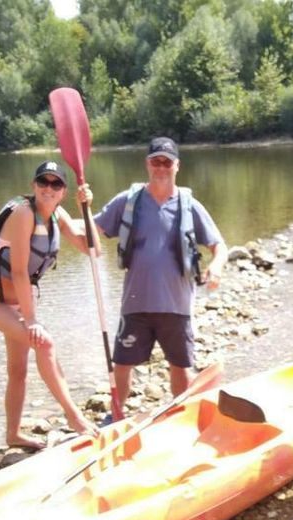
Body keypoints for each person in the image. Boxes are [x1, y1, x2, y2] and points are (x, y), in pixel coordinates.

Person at [76, 137, 228, 416]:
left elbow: (220, 246)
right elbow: (91, 232)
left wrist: (216, 266)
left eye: (166, 162)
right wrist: (80, 209)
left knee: (180, 367)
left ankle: (183, 415)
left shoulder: (189, 205)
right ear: (147, 163)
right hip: (136, 303)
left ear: (177, 166)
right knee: (121, 364)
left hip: (177, 304)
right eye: (155, 161)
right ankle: (116, 417)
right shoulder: (128, 201)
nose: (161, 168)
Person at [0, 160, 98, 449]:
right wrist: (31, 321)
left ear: (64, 191)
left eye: (56, 184)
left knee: (18, 370)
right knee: (45, 344)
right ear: (34, 186)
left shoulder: (58, 215)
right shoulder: (23, 214)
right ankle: (75, 418)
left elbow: (93, 250)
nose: (48, 189)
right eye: (43, 182)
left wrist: (86, 210)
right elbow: (17, 271)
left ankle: (13, 435)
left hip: (18, 303)